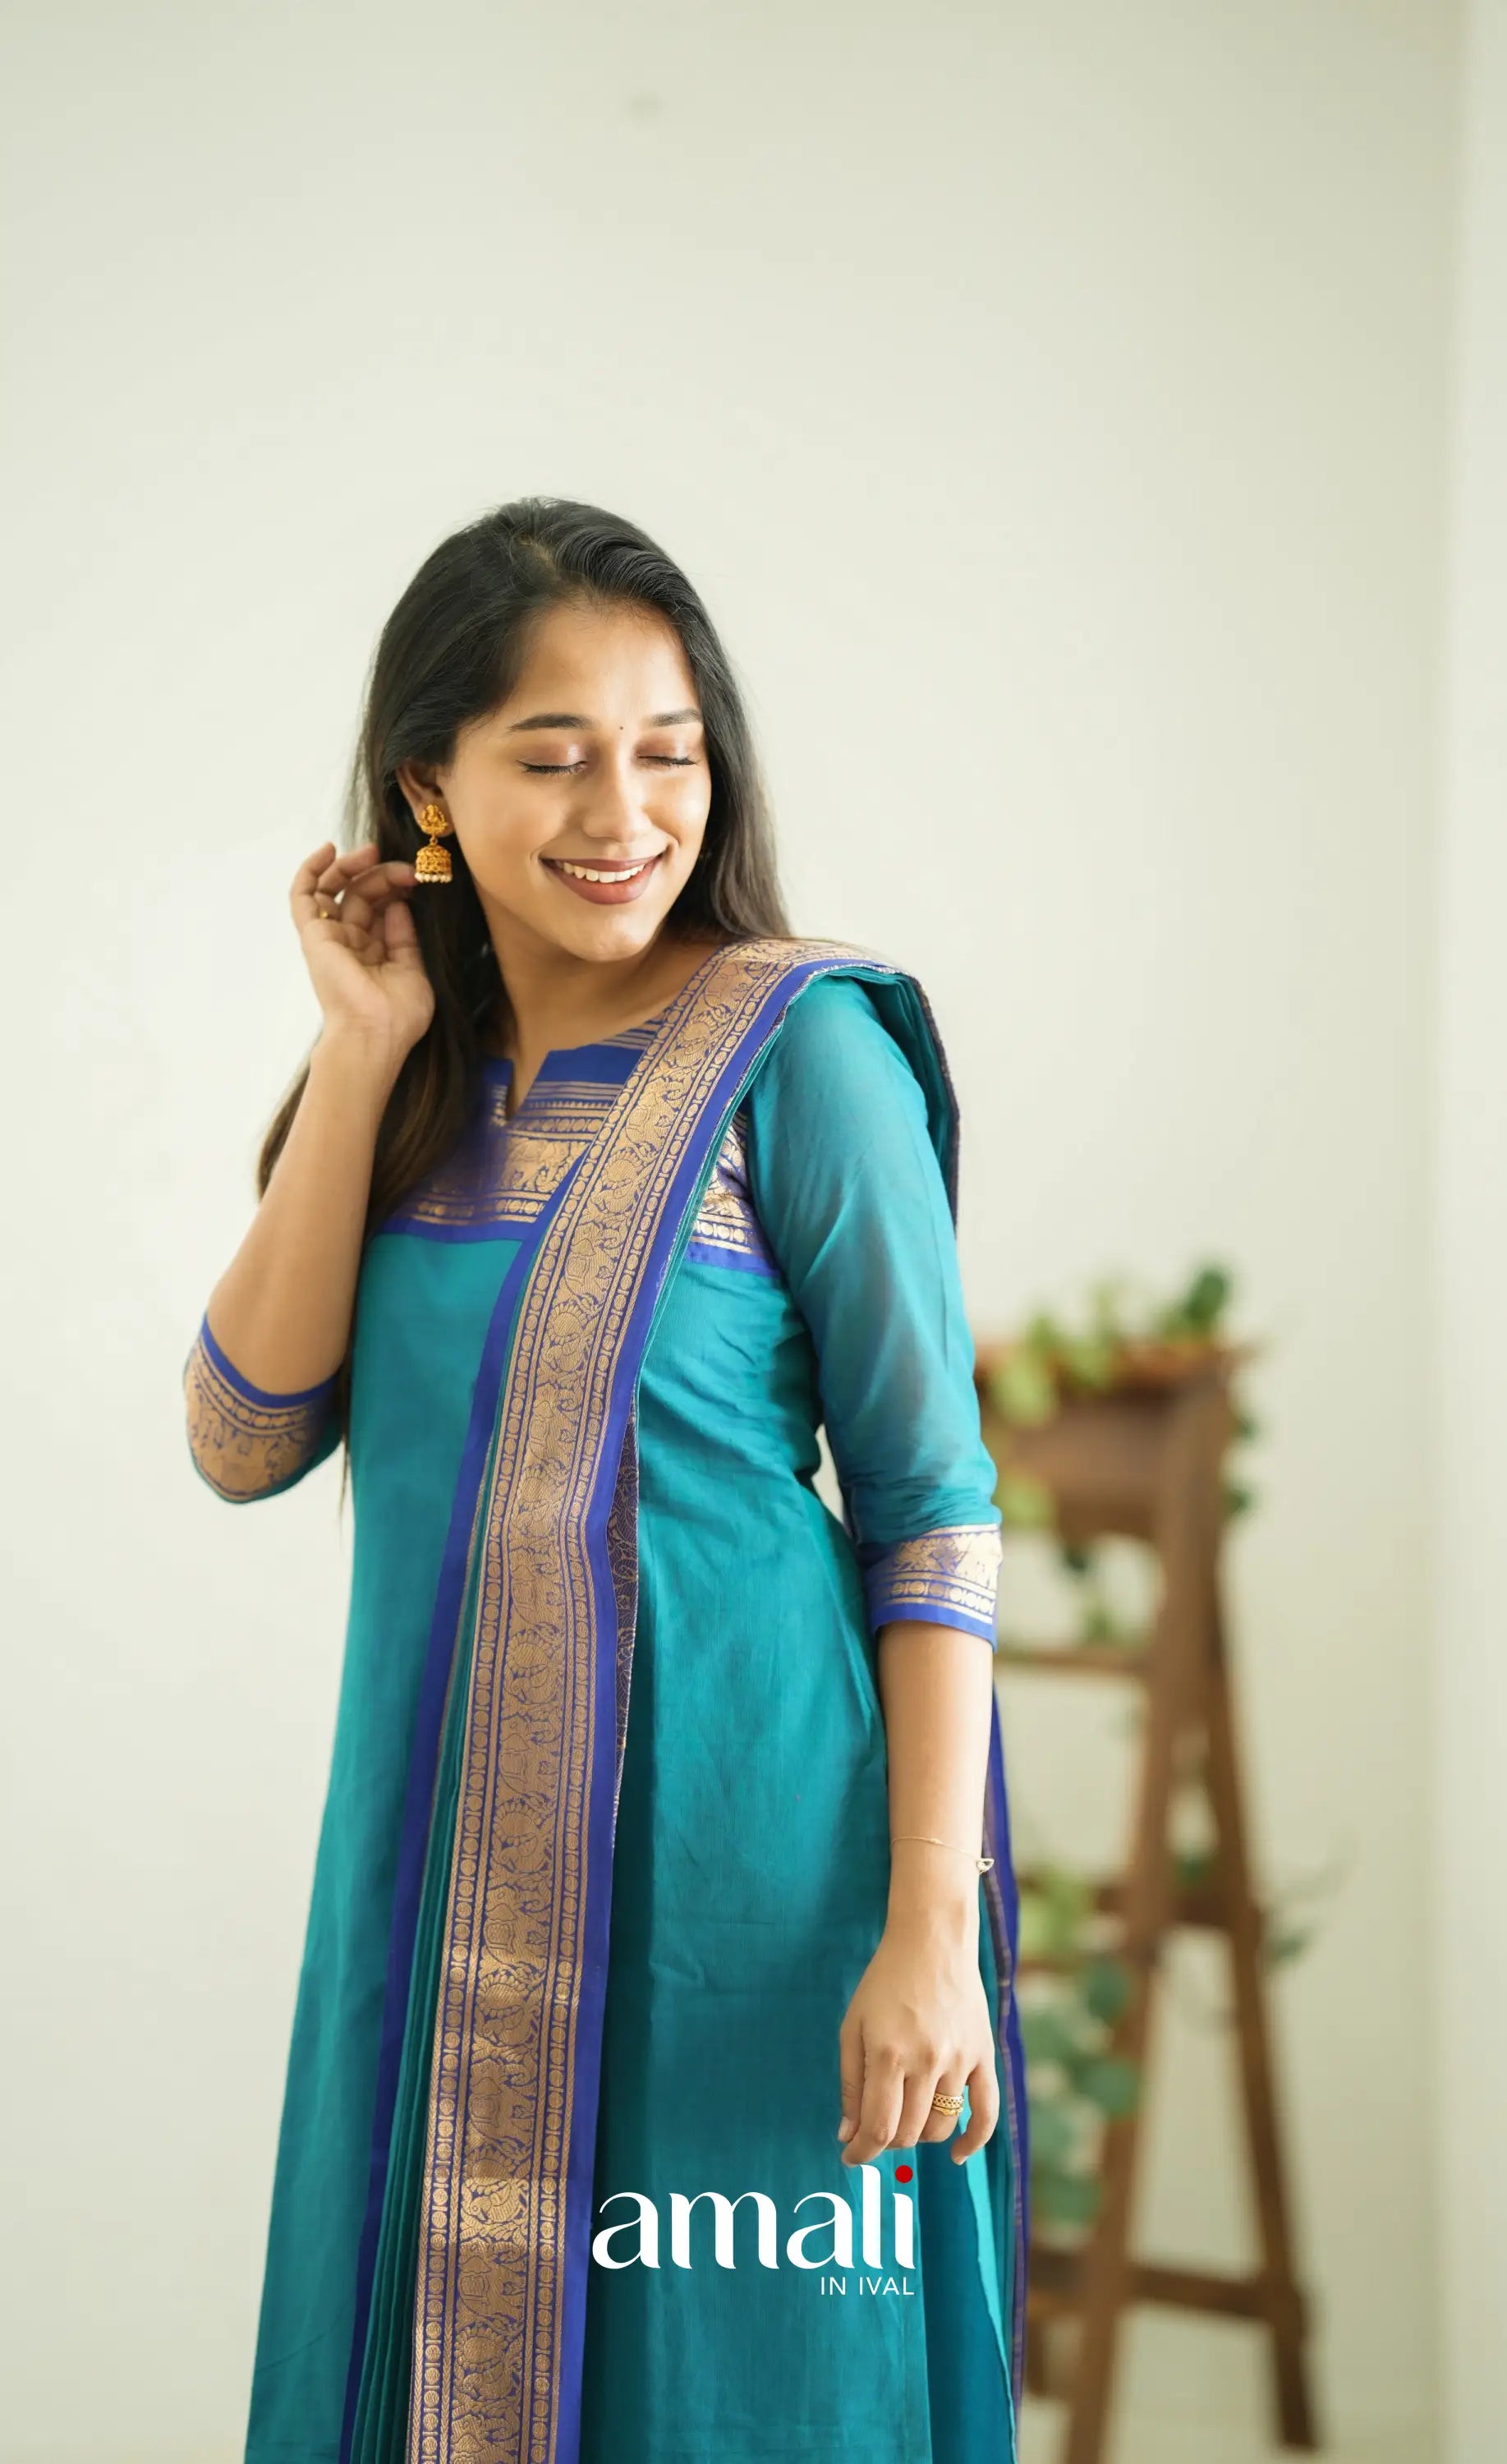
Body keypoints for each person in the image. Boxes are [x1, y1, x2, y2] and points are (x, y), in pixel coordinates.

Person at [184, 496, 1028, 2464]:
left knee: (734, 2389)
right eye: (553, 756)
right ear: (428, 786)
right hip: (434, 1871)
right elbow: (243, 1437)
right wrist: (364, 1046)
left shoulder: (804, 1054)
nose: (624, 812)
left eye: (669, 751)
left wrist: (928, 1930)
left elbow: (932, 1507)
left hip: (752, 1875)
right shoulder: (411, 1078)